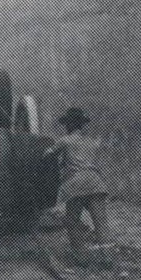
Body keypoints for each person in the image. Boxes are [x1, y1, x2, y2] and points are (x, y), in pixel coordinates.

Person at [45, 107, 112, 256]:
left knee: (72, 221)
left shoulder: (65, 141)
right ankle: (108, 258)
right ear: (81, 125)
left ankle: (82, 257)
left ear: (69, 125)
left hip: (77, 184)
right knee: (101, 223)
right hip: (96, 182)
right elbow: (87, 161)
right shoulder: (91, 142)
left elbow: (48, 154)